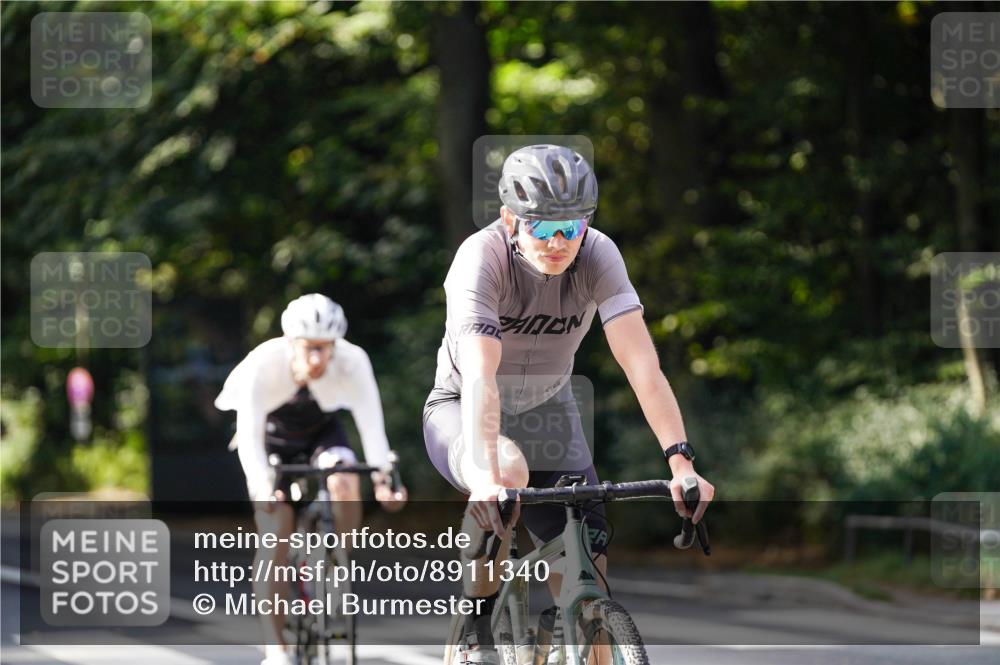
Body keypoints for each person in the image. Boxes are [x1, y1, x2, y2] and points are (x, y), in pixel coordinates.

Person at [423, 144, 715, 663]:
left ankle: (570, 636)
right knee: (506, 471)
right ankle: (475, 617)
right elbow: (482, 377)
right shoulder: (480, 258)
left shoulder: (599, 254)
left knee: (589, 571)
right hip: (463, 403)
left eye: (571, 227)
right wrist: (487, 478)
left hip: (549, 409)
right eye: (541, 227)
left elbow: (641, 365)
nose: (557, 242)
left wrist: (680, 460)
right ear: (510, 219)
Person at [215, 293, 408, 665]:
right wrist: (262, 487)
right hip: (271, 436)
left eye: (327, 348)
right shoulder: (262, 363)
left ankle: (334, 564)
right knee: (275, 533)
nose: (319, 359)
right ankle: (276, 650)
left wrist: (384, 477)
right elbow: (250, 438)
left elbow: (371, 427)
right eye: (310, 349)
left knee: (346, 480)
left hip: (322, 431)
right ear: (291, 343)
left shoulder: (353, 361)